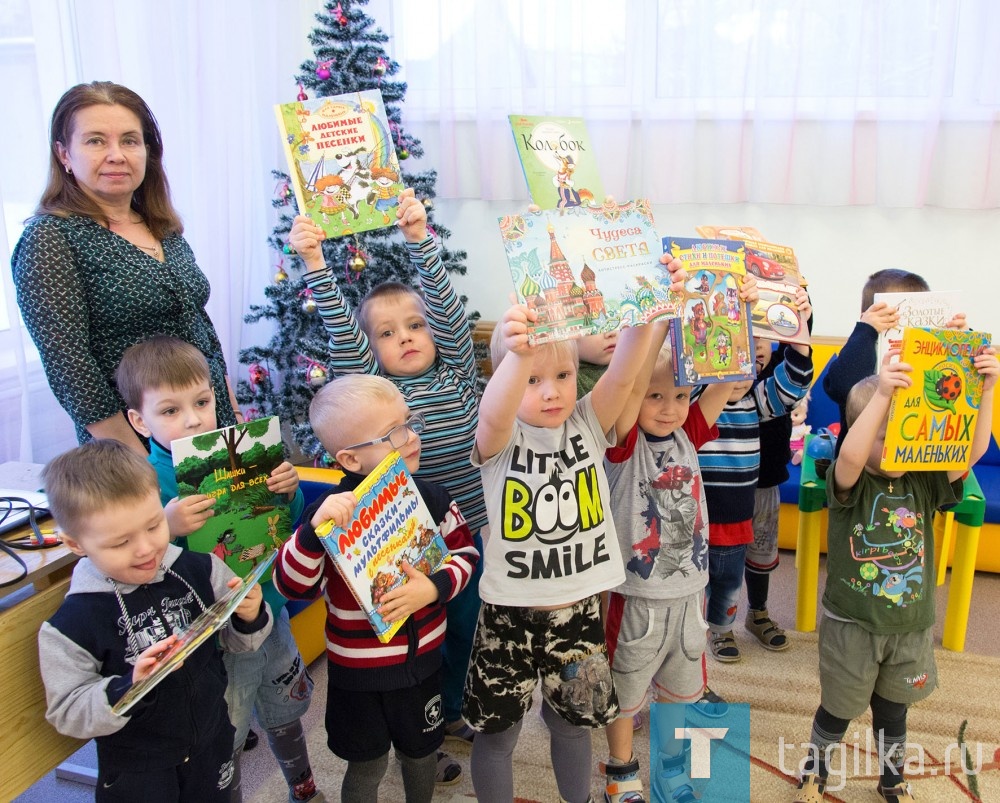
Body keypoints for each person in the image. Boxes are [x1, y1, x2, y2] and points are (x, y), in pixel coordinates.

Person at [462, 261, 682, 803]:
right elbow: (493, 414)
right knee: (497, 736)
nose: (552, 392)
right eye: (532, 381)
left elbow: (626, 374)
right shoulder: (500, 439)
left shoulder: (586, 421)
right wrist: (518, 356)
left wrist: (650, 307)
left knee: (572, 727)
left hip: (580, 612)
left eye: (561, 377)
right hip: (507, 615)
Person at [289, 195, 484, 765]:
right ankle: (427, 717)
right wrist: (315, 264)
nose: (406, 336)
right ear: (370, 353)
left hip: (466, 530)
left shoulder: (458, 375)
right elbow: (346, 336)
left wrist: (420, 237)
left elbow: (448, 314)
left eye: (415, 325)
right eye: (388, 333)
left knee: (466, 626)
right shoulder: (379, 393)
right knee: (416, 635)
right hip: (402, 537)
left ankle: (452, 708)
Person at [114, 336, 322, 803]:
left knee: (284, 702)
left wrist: (290, 493)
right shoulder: (143, 481)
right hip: (211, 632)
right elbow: (136, 561)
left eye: (203, 402)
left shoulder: (245, 455)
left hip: (269, 605)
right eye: (169, 411)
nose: (192, 419)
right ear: (137, 419)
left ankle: (303, 785)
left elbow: (286, 528)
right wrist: (165, 526)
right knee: (223, 723)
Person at [793, 344, 998, 803]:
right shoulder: (851, 479)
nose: (900, 446)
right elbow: (850, 456)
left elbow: (972, 449)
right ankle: (816, 769)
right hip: (852, 625)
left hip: (909, 627)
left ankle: (892, 778)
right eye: (888, 436)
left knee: (893, 712)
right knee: (838, 710)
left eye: (907, 433)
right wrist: (883, 394)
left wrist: (985, 392)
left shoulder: (923, 480)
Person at [274, 374, 479, 802]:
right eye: (393, 434)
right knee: (367, 764)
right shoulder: (326, 515)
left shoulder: (435, 498)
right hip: (357, 677)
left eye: (409, 422)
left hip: (422, 666)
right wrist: (312, 533)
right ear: (349, 460)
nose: (411, 437)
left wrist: (435, 588)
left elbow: (466, 556)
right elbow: (292, 585)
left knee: (421, 755)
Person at [11, 81, 239, 454]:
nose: (117, 155)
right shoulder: (50, 239)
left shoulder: (161, 225)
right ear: (64, 153)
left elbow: (199, 324)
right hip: (137, 444)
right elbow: (70, 367)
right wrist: (136, 458)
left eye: (130, 141)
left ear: (148, 152)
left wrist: (229, 407)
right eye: (96, 140)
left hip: (209, 425)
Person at [38, 439, 271, 802]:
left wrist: (250, 615)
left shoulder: (202, 569)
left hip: (212, 742)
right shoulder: (71, 624)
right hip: (138, 769)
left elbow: (242, 643)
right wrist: (129, 687)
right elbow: (67, 712)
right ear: (75, 544)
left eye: (153, 526)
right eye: (120, 543)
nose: (146, 549)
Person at [601, 325, 740, 803]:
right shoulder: (623, 444)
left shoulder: (687, 434)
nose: (670, 408)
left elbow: (725, 380)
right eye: (656, 396)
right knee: (625, 697)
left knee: (681, 695)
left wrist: (740, 316)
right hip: (636, 601)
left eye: (681, 395)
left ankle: (672, 768)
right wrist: (654, 322)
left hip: (688, 598)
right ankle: (621, 771)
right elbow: (631, 385)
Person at [701, 288, 813, 663]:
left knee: (730, 580)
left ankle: (722, 627)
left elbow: (793, 382)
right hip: (697, 516)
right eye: (728, 363)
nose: (738, 376)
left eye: (746, 365)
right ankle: (707, 629)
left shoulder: (756, 399)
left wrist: (799, 338)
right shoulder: (698, 399)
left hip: (737, 516)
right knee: (698, 581)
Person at [821, 269, 965, 454]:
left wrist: (962, 341)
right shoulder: (862, 347)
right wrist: (866, 331)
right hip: (862, 466)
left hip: (918, 460)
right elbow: (839, 387)